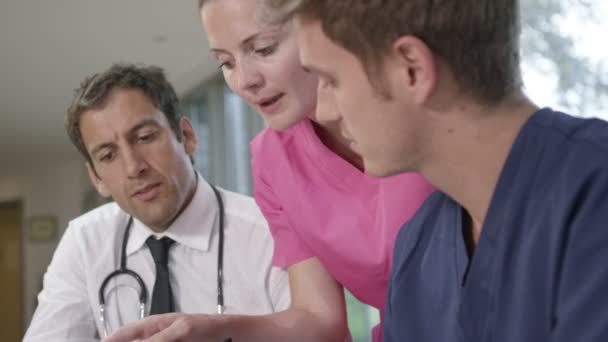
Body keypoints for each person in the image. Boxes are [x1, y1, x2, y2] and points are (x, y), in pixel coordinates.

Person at [259, 0, 608, 341]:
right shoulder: (418, 248)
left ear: (412, 68)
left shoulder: (592, 192)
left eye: (331, 81)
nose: (326, 110)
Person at [103, 0, 434, 341]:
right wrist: (214, 327)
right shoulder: (273, 159)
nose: (245, 80)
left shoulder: (413, 101)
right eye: (225, 63)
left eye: (264, 48)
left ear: (321, 29)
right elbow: (320, 319)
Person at [23, 63, 290, 342]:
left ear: (186, 136)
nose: (133, 167)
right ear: (96, 178)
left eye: (145, 137)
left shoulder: (268, 232)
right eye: (108, 155)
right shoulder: (86, 241)